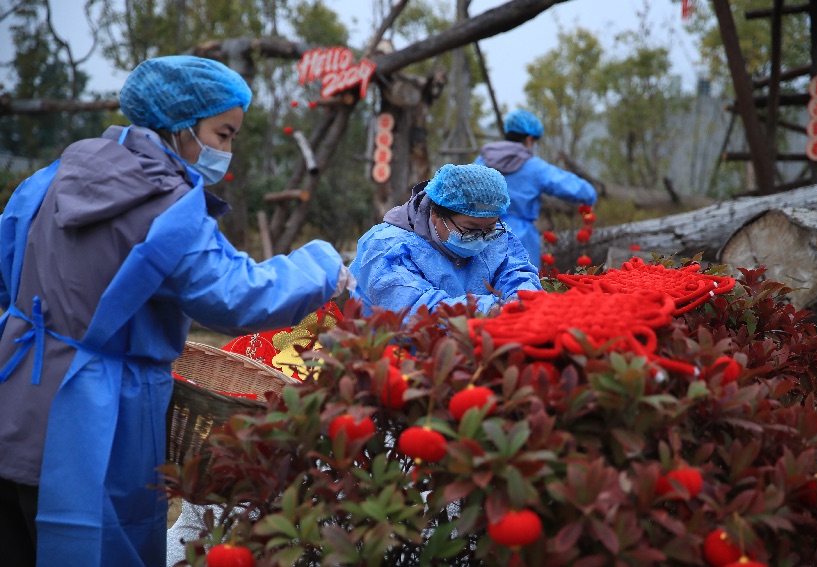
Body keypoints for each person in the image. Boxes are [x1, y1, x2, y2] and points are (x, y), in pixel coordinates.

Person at [0, 55, 353, 567]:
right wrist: (321, 267)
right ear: (182, 126)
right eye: (224, 133)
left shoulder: (52, 177)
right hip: (92, 417)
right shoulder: (164, 206)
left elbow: (9, 260)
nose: (227, 151)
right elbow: (236, 294)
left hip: (14, 393)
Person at [349, 163, 541, 317]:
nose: (482, 239)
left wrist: (521, 299)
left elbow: (516, 272)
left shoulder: (496, 235)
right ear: (435, 215)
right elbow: (415, 310)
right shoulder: (385, 248)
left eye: (489, 229)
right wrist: (488, 310)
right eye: (470, 230)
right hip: (395, 356)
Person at [474, 109, 597, 269]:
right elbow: (575, 188)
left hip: (480, 234)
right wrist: (589, 197)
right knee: (523, 289)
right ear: (529, 139)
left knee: (481, 289)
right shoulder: (533, 167)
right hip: (520, 239)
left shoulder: (482, 161)